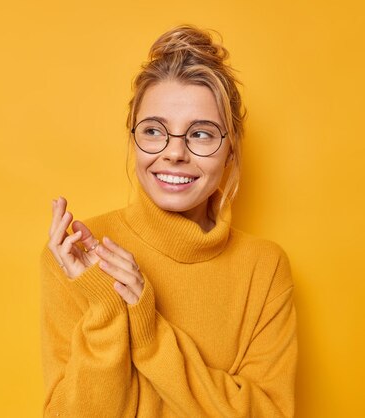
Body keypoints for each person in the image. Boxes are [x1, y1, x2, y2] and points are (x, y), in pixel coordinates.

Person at [39, 24, 298, 417]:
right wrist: (108, 307)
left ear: (230, 151)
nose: (174, 153)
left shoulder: (264, 268)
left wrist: (148, 330)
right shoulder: (75, 256)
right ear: (133, 139)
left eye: (201, 134)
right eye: (154, 130)